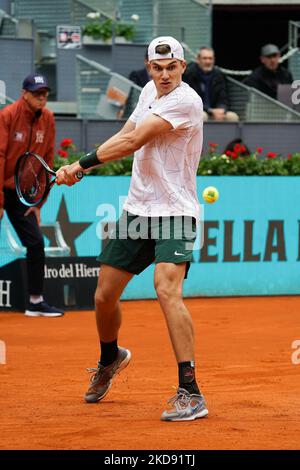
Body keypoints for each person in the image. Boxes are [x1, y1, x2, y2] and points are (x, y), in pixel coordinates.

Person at [56, 36, 209, 422]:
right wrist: (85, 165)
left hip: (176, 211)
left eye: (170, 67)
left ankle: (190, 391)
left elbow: (134, 139)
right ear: (148, 67)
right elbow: (126, 130)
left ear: (182, 66)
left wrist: (80, 165)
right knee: (104, 296)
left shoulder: (186, 100)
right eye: (156, 68)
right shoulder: (148, 92)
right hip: (138, 209)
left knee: (165, 288)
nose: (163, 75)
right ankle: (111, 358)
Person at [0, 74, 64, 317]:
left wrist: (39, 202)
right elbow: (0, 156)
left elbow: (47, 159)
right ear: (24, 93)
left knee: (36, 243)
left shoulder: (48, 118)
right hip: (1, 186)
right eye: (37, 93)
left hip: (23, 194)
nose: (42, 98)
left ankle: (35, 302)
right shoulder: (7, 115)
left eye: (45, 93)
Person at [183, 46, 239, 121]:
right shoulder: (189, 74)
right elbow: (190, 101)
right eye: (205, 58)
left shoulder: (218, 75)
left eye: (210, 58)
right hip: (196, 111)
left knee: (233, 117)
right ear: (198, 60)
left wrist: (221, 109)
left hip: (215, 111)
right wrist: (209, 110)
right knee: (203, 116)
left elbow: (224, 97)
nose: (208, 62)